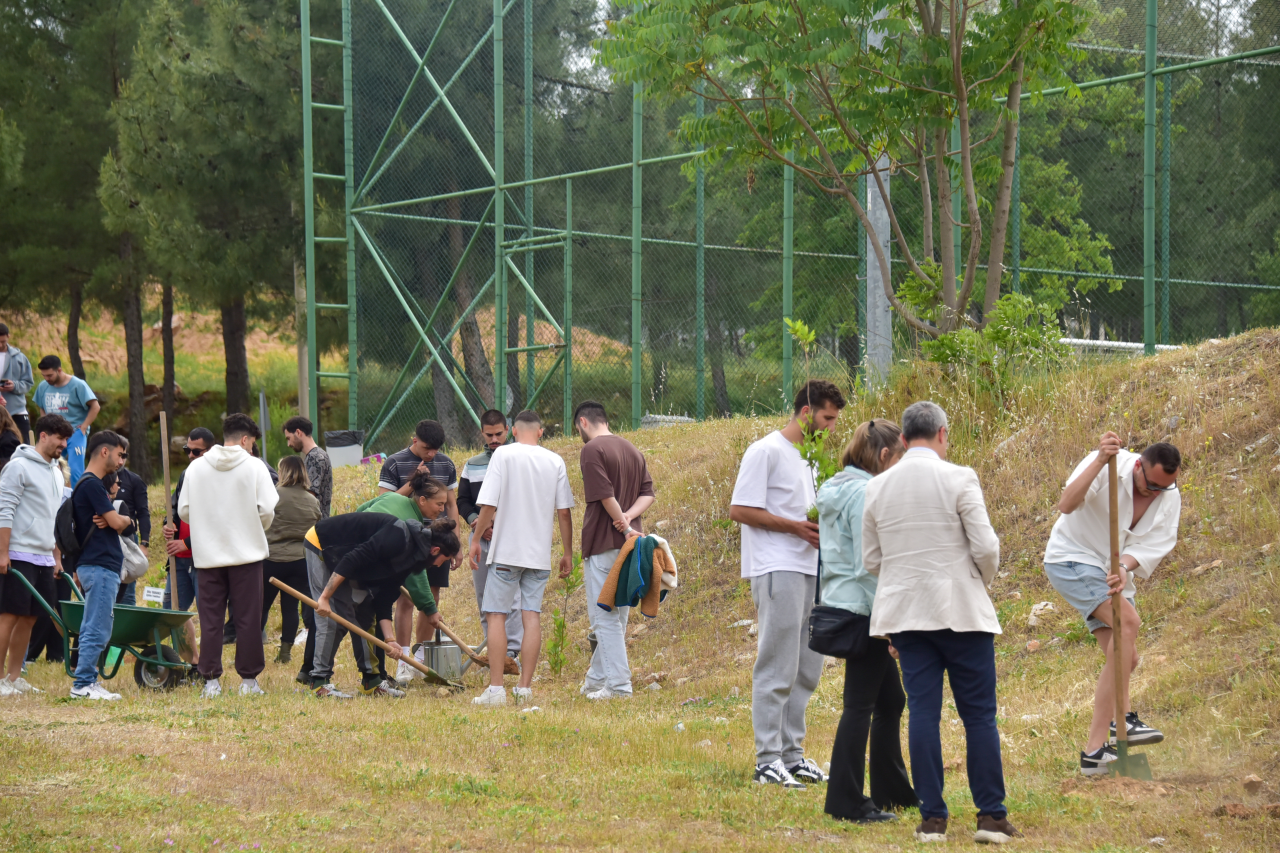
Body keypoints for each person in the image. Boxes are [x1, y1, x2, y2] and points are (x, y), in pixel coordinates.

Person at [863, 401, 1017, 844]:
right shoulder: (960, 477)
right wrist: (975, 581)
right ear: (943, 434)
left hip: (908, 617)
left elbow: (872, 559)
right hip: (961, 611)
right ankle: (990, 817)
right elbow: (985, 548)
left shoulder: (878, 487)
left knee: (923, 714)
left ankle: (931, 818)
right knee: (979, 717)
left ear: (904, 439)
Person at [728, 379, 846, 789]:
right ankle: (767, 760)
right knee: (777, 664)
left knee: (807, 666)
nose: (832, 427)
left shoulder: (813, 457)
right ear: (805, 412)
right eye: (828, 418)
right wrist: (795, 529)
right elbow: (739, 509)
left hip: (813, 568)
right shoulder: (766, 450)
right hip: (777, 567)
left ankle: (792, 756)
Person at [1043, 432, 1181, 775]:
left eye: (1165, 487)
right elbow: (1066, 504)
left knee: (1125, 655)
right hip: (1071, 559)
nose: (1157, 493)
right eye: (1151, 484)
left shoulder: (1168, 493)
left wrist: (1123, 566)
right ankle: (1123, 721)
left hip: (1112, 571)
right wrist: (1099, 462)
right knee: (1128, 625)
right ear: (1138, 466)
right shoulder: (1107, 466)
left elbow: (1157, 542)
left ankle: (1094, 754)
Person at [817, 419, 918, 824]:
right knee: (859, 705)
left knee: (890, 700)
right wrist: (892, 621)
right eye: (900, 460)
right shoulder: (866, 492)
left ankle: (891, 791)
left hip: (850, 604)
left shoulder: (839, 486)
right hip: (865, 609)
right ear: (883, 456)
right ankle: (846, 801)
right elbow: (867, 564)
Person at [468, 410, 574, 707]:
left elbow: (488, 504)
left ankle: (497, 689)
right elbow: (564, 512)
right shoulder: (555, 461)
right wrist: (567, 552)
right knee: (531, 617)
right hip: (538, 556)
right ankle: (525, 689)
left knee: (496, 615)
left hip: (506, 552)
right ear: (541, 432)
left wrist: (476, 540)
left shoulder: (503, 456)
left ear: (513, 430)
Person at [177, 413, 279, 698]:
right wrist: (251, 527)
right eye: (252, 443)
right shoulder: (255, 466)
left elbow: (184, 510)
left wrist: (207, 525)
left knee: (210, 619)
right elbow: (268, 509)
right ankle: (248, 681)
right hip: (246, 555)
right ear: (246, 440)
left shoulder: (196, 468)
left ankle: (210, 682)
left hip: (208, 555)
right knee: (247, 618)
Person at [304, 512, 455, 698]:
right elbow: (352, 559)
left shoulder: (412, 559)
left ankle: (372, 681)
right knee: (334, 618)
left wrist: (390, 640)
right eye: (445, 561)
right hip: (324, 543)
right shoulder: (399, 536)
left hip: (349, 560)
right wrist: (325, 597)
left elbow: (383, 600)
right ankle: (319, 682)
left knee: (366, 614)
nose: (441, 566)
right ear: (436, 550)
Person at [573, 400, 655, 701]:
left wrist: (620, 519)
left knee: (604, 617)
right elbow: (648, 493)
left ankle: (619, 687)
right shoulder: (631, 448)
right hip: (630, 544)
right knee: (618, 617)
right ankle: (595, 682)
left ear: (583, 422)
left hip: (602, 542)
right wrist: (629, 519)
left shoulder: (592, 450)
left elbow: (604, 494)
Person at [0, 414, 72, 695]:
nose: (63, 444)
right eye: (59, 438)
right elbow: (4, 510)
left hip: (43, 556)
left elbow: (56, 518)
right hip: (18, 553)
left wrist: (56, 557)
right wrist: (3, 552)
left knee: (31, 617)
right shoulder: (17, 467)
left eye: (66, 439)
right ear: (43, 436)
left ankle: (13, 677)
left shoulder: (56, 471)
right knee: (8, 616)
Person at [355, 471, 450, 683]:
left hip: (364, 557)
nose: (442, 509)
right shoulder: (409, 524)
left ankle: (377, 675)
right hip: (355, 561)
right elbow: (416, 575)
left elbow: (360, 510)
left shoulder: (394, 497)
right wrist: (430, 609)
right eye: (439, 504)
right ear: (422, 500)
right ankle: (371, 678)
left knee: (375, 615)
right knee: (366, 618)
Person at [379, 418, 460, 643]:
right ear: (414, 440)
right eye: (427, 448)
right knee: (407, 599)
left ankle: (421, 652)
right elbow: (383, 502)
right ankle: (405, 657)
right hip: (406, 541)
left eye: (435, 450)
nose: (431, 454)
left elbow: (452, 506)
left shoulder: (446, 464)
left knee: (432, 596)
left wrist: (455, 545)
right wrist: (413, 482)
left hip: (438, 542)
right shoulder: (394, 462)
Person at [69, 430, 133, 701]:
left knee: (96, 624)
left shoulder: (87, 484)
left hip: (97, 565)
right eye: (120, 454)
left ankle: (88, 680)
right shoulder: (93, 485)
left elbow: (115, 522)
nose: (121, 461)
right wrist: (125, 520)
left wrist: (118, 519)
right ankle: (83, 683)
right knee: (97, 626)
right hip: (99, 565)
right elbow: (119, 524)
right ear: (105, 451)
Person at [457, 409, 523, 666]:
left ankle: (513, 653)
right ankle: (495, 651)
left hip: (510, 535)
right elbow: (463, 500)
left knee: (513, 596)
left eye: (498, 434)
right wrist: (477, 522)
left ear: (508, 430)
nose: (494, 439)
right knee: (484, 595)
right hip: (481, 537)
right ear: (482, 433)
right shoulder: (473, 464)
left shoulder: (519, 459)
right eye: (489, 435)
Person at [261, 456, 323, 665]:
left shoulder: (274, 495)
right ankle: (285, 652)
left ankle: (253, 650)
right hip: (300, 560)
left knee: (261, 607)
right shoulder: (312, 500)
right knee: (290, 606)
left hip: (272, 559)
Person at [161, 427, 214, 664]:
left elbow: (216, 521)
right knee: (172, 613)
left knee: (208, 614)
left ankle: (210, 666)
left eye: (196, 451)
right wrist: (167, 524)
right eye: (187, 450)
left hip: (203, 559)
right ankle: (191, 662)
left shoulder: (216, 478)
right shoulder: (186, 475)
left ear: (210, 451)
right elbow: (174, 506)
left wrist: (187, 543)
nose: (191, 456)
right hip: (179, 559)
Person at [33, 355, 100, 485]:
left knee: (75, 469)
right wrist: (45, 425)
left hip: (75, 432)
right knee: (51, 465)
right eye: (44, 375)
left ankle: (77, 497)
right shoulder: (43, 387)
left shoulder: (77, 385)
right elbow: (41, 407)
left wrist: (84, 427)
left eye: (49, 375)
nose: (46, 379)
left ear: (59, 370)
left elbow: (95, 406)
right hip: (53, 433)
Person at [101, 471, 140, 605]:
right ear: (109, 484)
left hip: (118, 566)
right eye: (117, 483)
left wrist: (118, 522)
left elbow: (130, 529)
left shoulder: (119, 505)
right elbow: (126, 526)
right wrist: (125, 521)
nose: (119, 487)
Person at [283, 416, 333, 517]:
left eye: (289, 438)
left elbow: (309, 496)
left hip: (315, 524)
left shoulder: (315, 457)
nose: (288, 444)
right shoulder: (315, 455)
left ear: (298, 432)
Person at [0, 323, 35, 443]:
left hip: (17, 409)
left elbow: (28, 383)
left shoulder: (20, 358)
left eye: (3, 341)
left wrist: (15, 386)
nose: (0, 345)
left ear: (8, 337)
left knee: (25, 443)